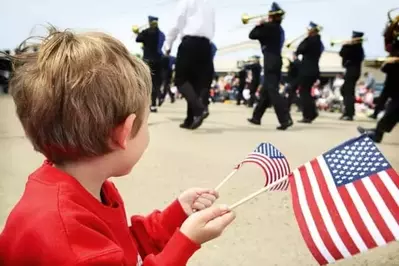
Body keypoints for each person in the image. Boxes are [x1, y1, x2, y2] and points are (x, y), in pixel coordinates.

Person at [0, 28, 235, 265]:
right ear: (124, 133)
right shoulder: (73, 242)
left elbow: (123, 248)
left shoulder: (84, 187)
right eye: (146, 123)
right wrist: (186, 242)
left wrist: (175, 216)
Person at [163, 0, 215, 130]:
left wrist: (168, 44)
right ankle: (190, 119)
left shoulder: (186, 2)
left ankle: (199, 110)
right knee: (195, 83)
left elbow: (176, 23)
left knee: (180, 80)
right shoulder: (208, 5)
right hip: (206, 45)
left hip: (190, 43)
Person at [247, 2, 293, 130]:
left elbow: (252, 35)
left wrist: (258, 25)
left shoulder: (268, 27)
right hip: (276, 60)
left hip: (270, 60)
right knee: (266, 91)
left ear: (271, 16)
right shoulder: (278, 29)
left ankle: (285, 119)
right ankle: (257, 117)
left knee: (272, 90)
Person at [296, 21, 324, 124]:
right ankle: (312, 112)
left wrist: (306, 38)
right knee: (306, 92)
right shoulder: (319, 42)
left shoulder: (310, 41)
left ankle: (308, 115)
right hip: (314, 69)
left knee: (304, 92)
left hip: (307, 70)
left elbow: (300, 49)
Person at [136, 16, 165, 113]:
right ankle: (153, 105)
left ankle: (144, 104)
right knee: (156, 84)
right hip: (158, 61)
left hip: (148, 60)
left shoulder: (146, 32)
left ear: (149, 22)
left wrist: (138, 32)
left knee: (145, 82)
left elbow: (138, 39)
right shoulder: (161, 34)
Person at [338, 31, 365, 121]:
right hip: (350, 71)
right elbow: (342, 54)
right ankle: (348, 111)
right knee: (345, 90)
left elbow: (344, 53)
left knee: (348, 92)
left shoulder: (357, 48)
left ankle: (349, 113)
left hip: (353, 72)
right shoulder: (353, 47)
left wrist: (346, 45)